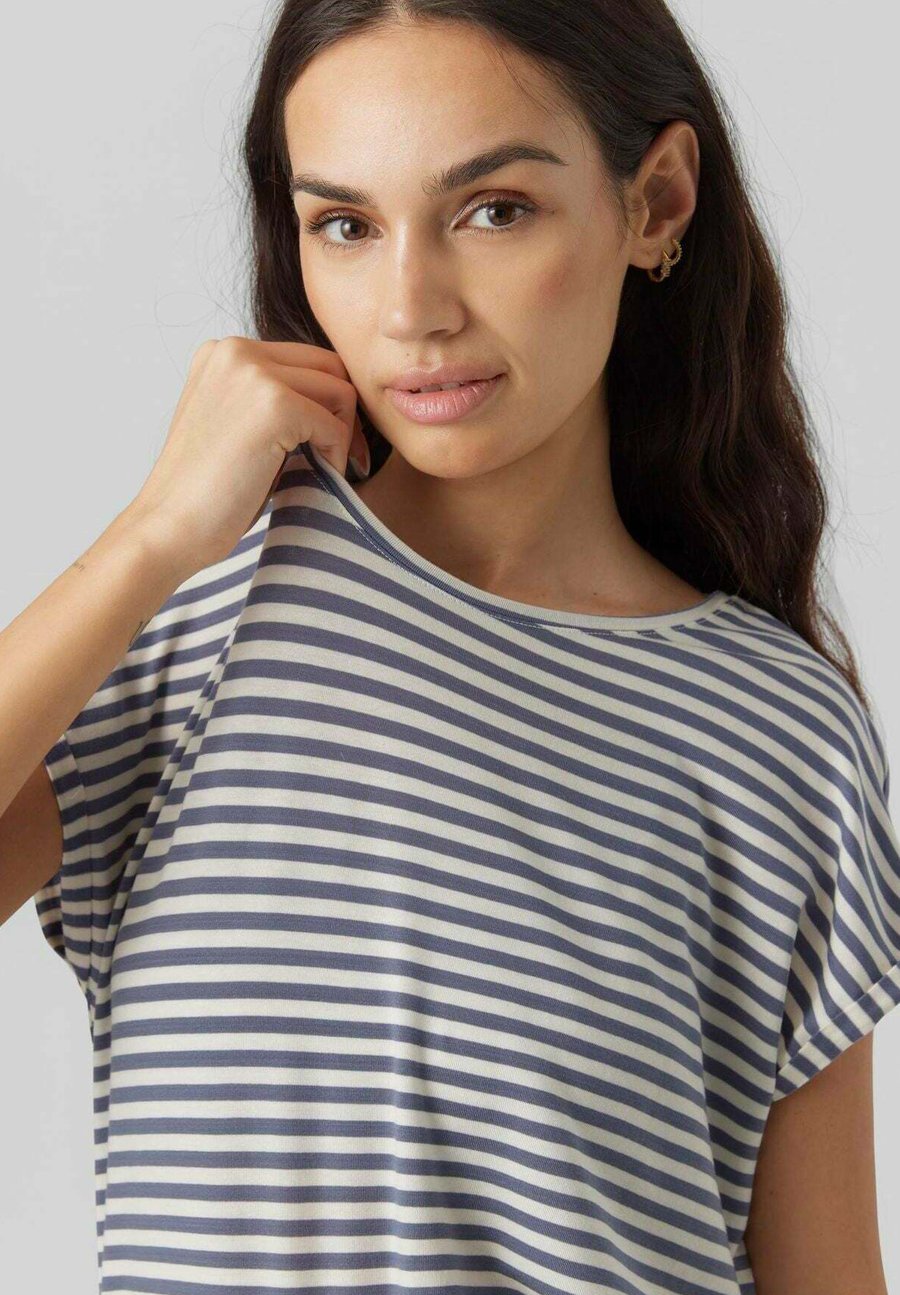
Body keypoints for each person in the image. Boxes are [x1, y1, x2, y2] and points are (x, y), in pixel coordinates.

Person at [0, 2, 897, 1292]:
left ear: (656, 204)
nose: (411, 310)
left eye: (494, 210)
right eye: (346, 225)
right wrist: (150, 541)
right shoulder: (198, 616)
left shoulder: (776, 732)